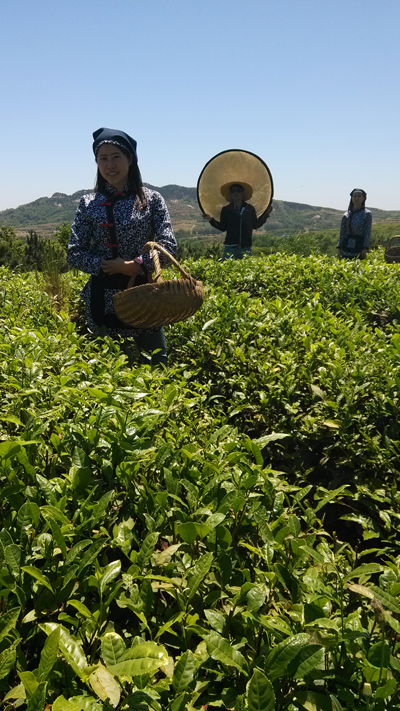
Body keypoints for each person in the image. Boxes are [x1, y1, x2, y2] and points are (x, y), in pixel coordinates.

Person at [67, 127, 177, 366]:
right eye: (102, 159)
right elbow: (74, 252)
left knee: (158, 367)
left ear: (130, 159)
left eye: (116, 156)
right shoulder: (88, 203)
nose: (110, 165)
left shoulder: (151, 200)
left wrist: (135, 265)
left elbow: (169, 246)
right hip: (103, 300)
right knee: (113, 375)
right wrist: (108, 266)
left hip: (145, 297)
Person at [202, 183, 273, 260]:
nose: (235, 193)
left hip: (246, 247)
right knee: (227, 270)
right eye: (233, 191)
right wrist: (210, 220)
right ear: (230, 194)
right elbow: (222, 227)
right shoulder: (226, 210)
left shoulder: (249, 209)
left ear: (243, 193)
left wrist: (266, 215)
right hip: (230, 247)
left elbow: (255, 225)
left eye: (238, 190)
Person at [337, 189, 371, 259]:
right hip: (346, 248)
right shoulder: (346, 214)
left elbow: (367, 231)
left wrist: (365, 248)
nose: (356, 198)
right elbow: (342, 232)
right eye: (354, 196)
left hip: (360, 247)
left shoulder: (367, 214)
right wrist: (339, 247)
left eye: (359, 196)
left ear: (363, 198)